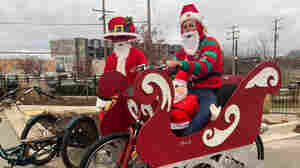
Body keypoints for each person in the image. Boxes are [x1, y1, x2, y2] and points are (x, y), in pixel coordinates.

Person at [166, 3, 223, 136]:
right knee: (167, 119)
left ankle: (184, 149)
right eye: (184, 27)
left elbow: (204, 67)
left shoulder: (210, 43)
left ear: (199, 26)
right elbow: (170, 68)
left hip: (206, 91)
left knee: (193, 128)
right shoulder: (183, 51)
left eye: (191, 25)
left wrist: (180, 64)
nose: (188, 29)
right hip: (185, 92)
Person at [96, 16, 148, 119]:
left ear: (128, 38)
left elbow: (144, 73)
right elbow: (106, 78)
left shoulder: (137, 54)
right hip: (115, 96)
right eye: (116, 38)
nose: (119, 41)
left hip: (134, 94)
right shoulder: (110, 58)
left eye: (122, 37)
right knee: (107, 114)